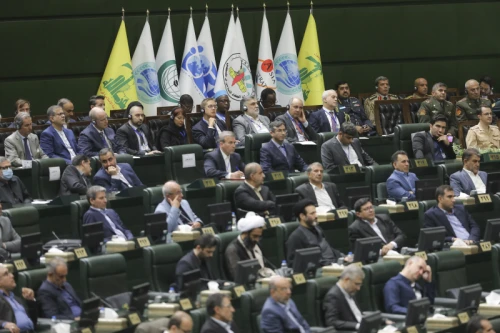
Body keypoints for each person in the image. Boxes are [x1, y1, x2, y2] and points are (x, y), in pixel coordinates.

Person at [286, 199, 344, 266]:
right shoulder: (295, 237)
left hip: (333, 264)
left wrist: (342, 256)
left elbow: (327, 249)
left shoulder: (318, 229)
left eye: (316, 212)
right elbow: (293, 263)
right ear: (302, 216)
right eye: (312, 213)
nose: (316, 216)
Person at [225, 212, 274, 280]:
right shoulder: (233, 250)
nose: (257, 240)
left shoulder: (256, 244)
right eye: (255, 236)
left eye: (259, 237)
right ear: (245, 233)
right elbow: (237, 275)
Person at [323, 264, 364, 330]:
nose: (358, 288)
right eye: (356, 284)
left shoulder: (350, 291)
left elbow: (358, 315)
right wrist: (357, 326)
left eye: (360, 285)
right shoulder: (333, 296)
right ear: (346, 280)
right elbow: (331, 322)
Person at [0, 264, 37, 332]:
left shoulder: (16, 297)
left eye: (10, 273)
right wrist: (4, 324)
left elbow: (34, 321)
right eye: (6, 274)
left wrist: (30, 301)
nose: (12, 276)